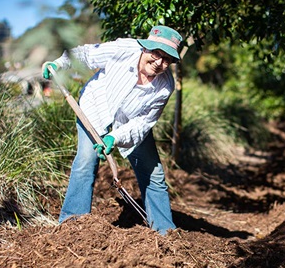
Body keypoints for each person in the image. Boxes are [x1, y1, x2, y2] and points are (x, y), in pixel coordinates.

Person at [42, 25, 182, 235]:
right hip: (95, 111)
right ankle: (72, 225)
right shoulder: (123, 49)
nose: (159, 62)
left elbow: (142, 123)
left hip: (129, 125)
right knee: (86, 161)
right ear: (145, 48)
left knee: (153, 173)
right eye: (156, 54)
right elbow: (85, 55)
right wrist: (59, 64)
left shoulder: (165, 86)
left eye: (167, 59)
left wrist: (114, 138)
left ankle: (165, 232)